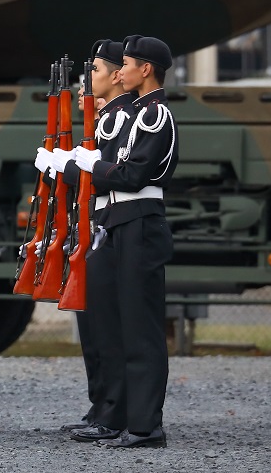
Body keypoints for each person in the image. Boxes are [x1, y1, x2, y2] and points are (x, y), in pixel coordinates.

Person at [68, 35, 178, 449]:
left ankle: (147, 426)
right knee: (114, 322)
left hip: (140, 221)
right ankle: (120, 416)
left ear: (145, 69)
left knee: (140, 327)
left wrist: (89, 164)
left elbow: (132, 175)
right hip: (119, 220)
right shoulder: (140, 113)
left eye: (127, 64)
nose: (121, 71)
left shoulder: (156, 116)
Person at [40, 39, 134, 439]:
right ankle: (100, 406)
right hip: (94, 230)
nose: (85, 85)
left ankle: (114, 412)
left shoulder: (123, 119)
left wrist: (70, 167)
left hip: (113, 227)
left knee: (107, 328)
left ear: (117, 76)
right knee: (91, 325)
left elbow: (109, 176)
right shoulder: (104, 120)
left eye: (93, 73)